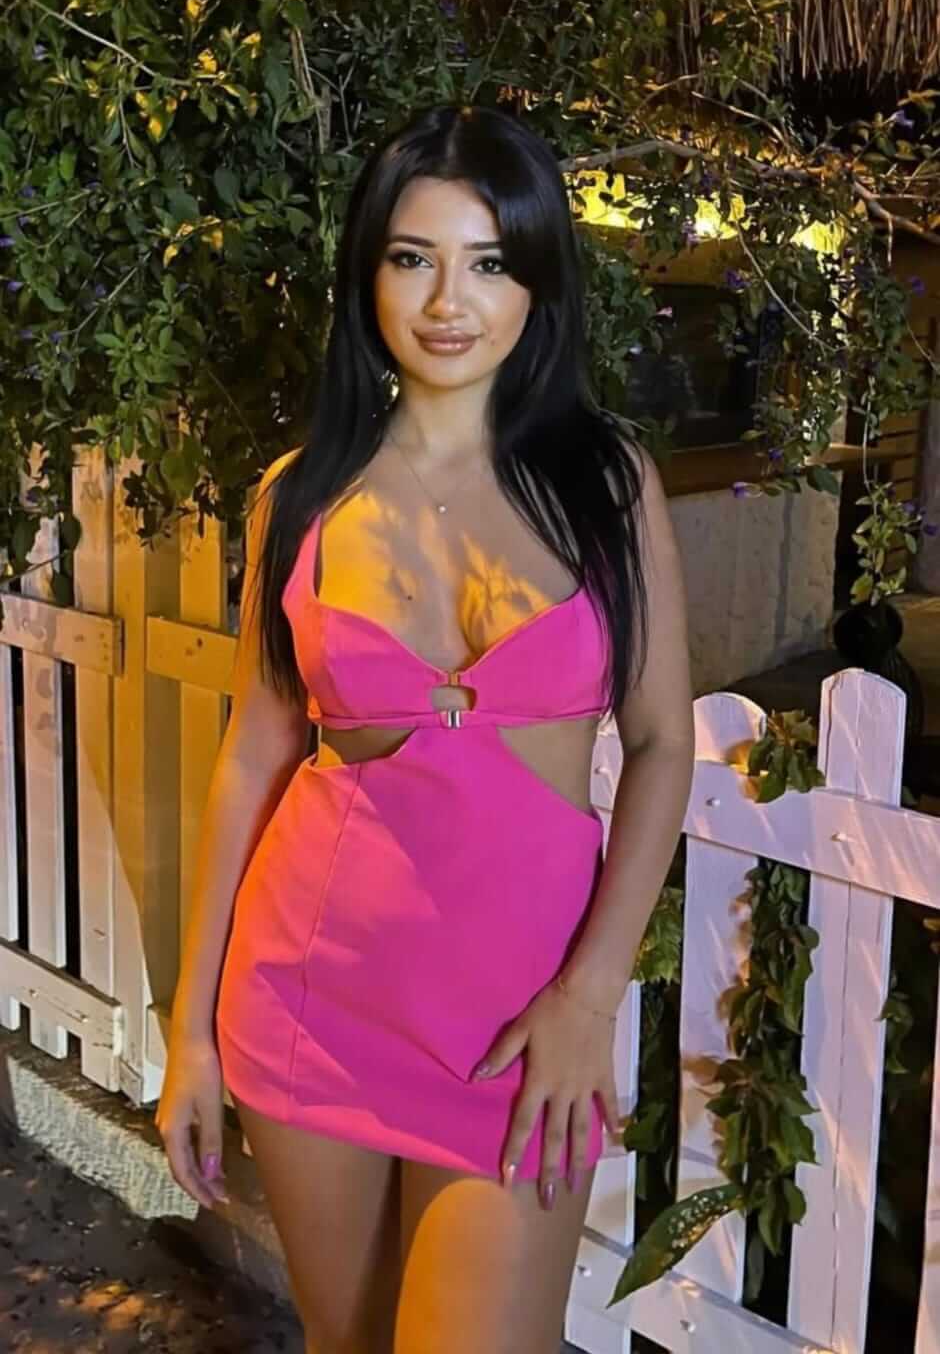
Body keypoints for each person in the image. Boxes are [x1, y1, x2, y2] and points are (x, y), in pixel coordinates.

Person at [156, 103, 695, 1354]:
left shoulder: (606, 484)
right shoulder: (299, 497)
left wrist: (588, 997)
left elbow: (662, 744)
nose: (450, 301)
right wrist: (190, 1032)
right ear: (369, 274)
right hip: (312, 1000)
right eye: (413, 257)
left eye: (488, 262)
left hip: (524, 1023)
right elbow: (253, 759)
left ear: (536, 283)